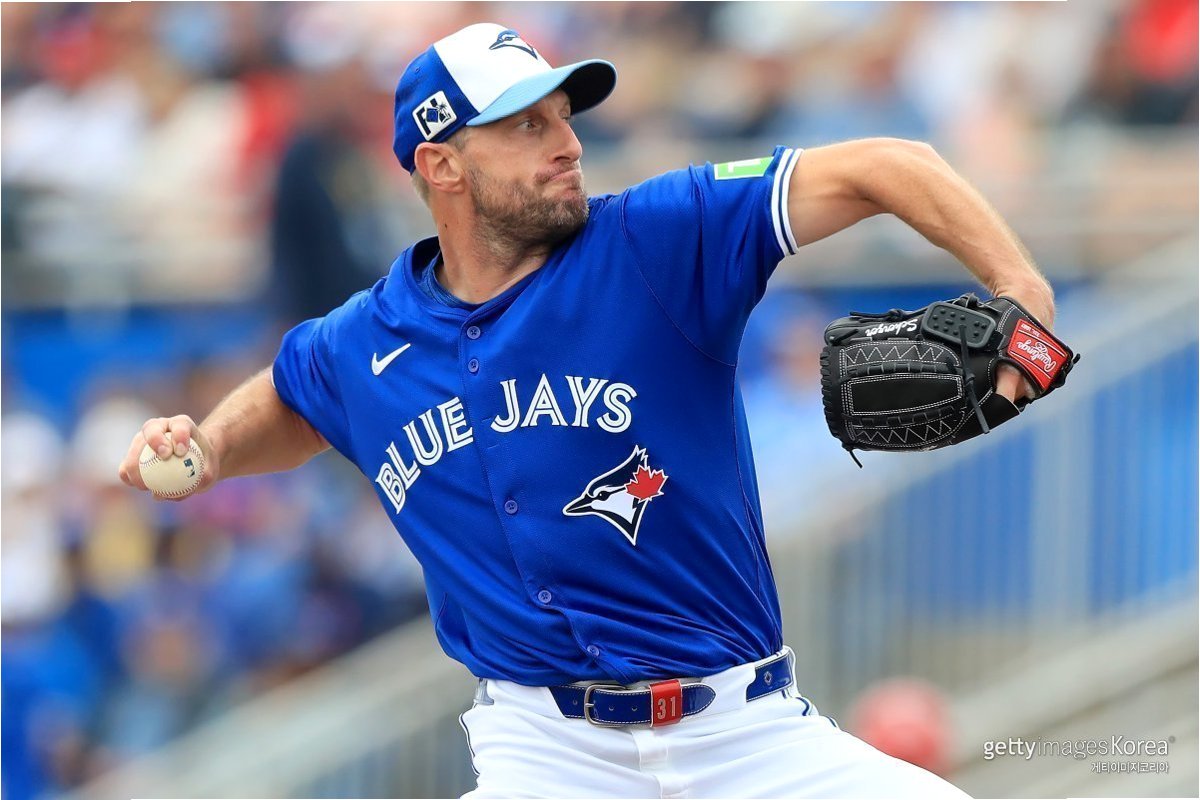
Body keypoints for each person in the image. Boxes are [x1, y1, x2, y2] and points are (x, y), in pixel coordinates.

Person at [119, 23, 1055, 799]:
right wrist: (208, 447)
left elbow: (887, 164)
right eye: (526, 126)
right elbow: (293, 398)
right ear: (442, 165)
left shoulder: (654, 241)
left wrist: (1023, 290)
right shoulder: (364, 341)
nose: (566, 143)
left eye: (563, 116)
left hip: (749, 738)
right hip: (544, 756)